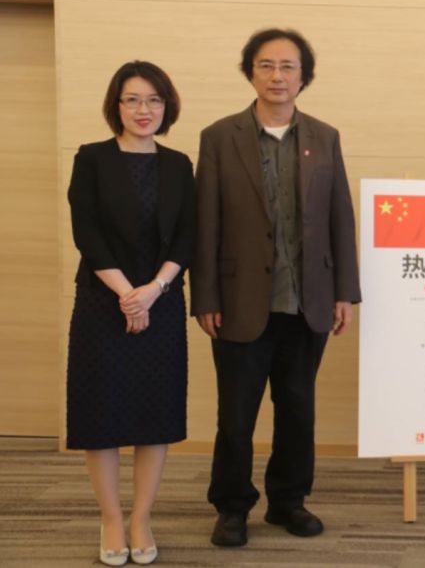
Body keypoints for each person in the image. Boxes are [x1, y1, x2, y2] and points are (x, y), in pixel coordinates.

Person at [191, 28, 361, 548]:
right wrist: (205, 297)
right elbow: (205, 221)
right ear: (250, 73)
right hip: (239, 302)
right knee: (236, 414)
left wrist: (344, 291)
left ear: (304, 76)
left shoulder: (324, 137)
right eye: (266, 65)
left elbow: (340, 217)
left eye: (288, 66)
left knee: (297, 409)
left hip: (307, 301)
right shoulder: (220, 137)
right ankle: (232, 506)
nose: (277, 76)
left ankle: (289, 501)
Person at [67, 61, 194, 566]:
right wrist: (127, 294)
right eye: (133, 99)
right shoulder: (92, 158)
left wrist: (153, 291)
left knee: (153, 413)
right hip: (103, 302)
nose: (144, 110)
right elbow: (87, 232)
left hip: (161, 300)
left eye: (154, 100)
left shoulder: (179, 164)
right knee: (100, 412)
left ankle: (141, 517)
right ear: (116, 105)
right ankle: (111, 518)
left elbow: (187, 235)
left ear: (167, 106)